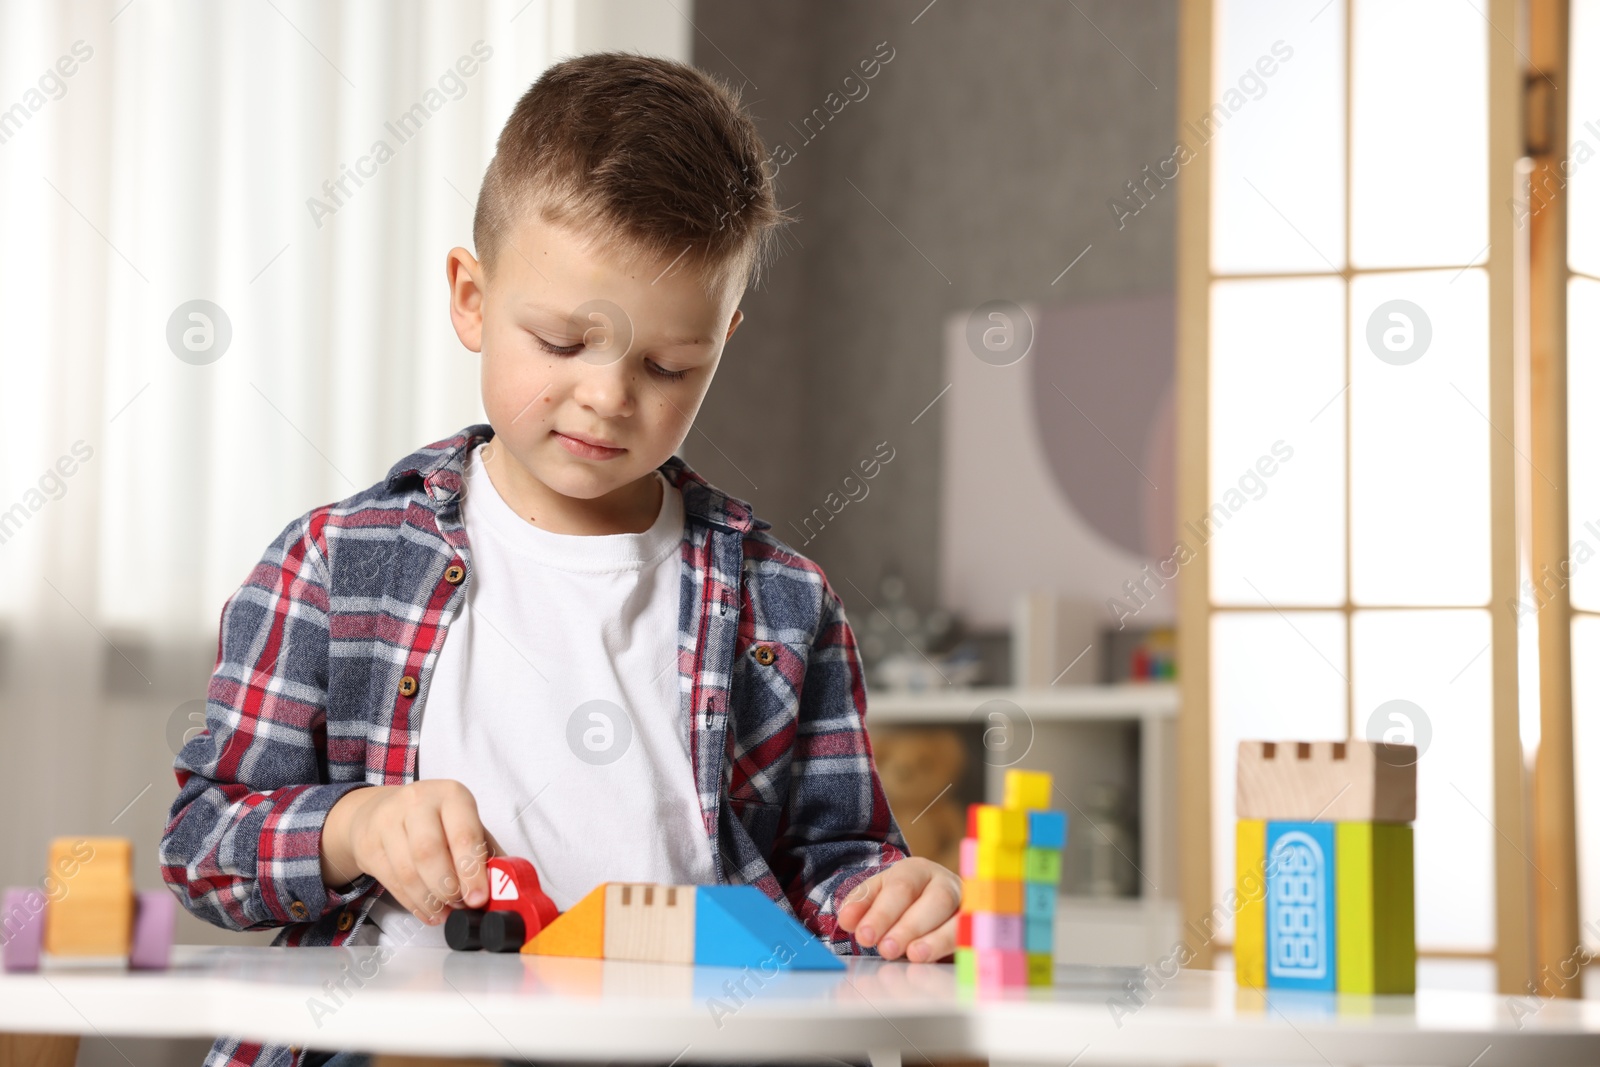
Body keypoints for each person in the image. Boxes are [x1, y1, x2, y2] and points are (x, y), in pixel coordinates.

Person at [159, 52, 961, 1067]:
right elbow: (202, 846)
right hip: (407, 1046)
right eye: (561, 340)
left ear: (723, 340)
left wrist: (890, 898)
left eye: (669, 364)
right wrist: (355, 827)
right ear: (470, 298)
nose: (607, 396)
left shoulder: (783, 603)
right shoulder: (335, 566)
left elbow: (832, 864)